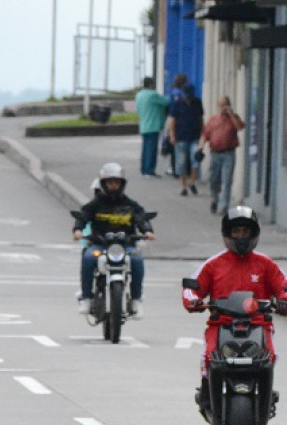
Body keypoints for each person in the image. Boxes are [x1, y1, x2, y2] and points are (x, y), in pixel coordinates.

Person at [182, 206, 287, 409]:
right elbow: (192, 288)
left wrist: (285, 300)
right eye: (237, 231)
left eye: (246, 232)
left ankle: (266, 392)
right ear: (227, 234)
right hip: (222, 324)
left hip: (258, 324)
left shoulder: (265, 264)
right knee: (209, 355)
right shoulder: (213, 264)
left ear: (254, 234)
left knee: (270, 355)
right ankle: (207, 390)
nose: (241, 236)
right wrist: (193, 301)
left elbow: (285, 285)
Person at [72, 162, 156, 319]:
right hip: (99, 245)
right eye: (110, 182)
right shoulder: (96, 203)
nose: (113, 186)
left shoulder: (129, 204)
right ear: (103, 184)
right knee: (89, 257)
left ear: (122, 184)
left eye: (116, 182)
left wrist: (148, 231)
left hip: (125, 246)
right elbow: (84, 215)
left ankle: (136, 300)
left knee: (137, 259)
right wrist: (77, 230)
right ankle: (86, 298)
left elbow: (141, 218)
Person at [198, 95, 245, 216]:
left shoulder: (234, 118)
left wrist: (231, 114)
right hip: (215, 153)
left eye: (226, 105)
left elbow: (239, 127)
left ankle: (223, 207)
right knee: (213, 180)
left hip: (228, 153)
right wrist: (201, 148)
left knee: (227, 180)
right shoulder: (213, 119)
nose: (223, 108)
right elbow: (205, 134)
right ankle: (216, 200)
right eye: (221, 105)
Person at [167, 83, 204, 197]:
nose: (188, 98)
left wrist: (203, 134)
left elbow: (200, 119)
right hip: (180, 137)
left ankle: (192, 183)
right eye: (187, 96)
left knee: (195, 160)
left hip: (195, 136)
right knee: (181, 162)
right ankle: (183, 187)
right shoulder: (177, 104)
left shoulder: (197, 102)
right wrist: (172, 135)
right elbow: (172, 120)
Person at [134, 77, 170, 178]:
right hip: (153, 125)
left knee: (145, 149)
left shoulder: (139, 95)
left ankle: (144, 169)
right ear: (151, 84)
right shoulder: (152, 95)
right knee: (152, 149)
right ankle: (150, 170)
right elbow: (166, 102)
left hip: (144, 125)